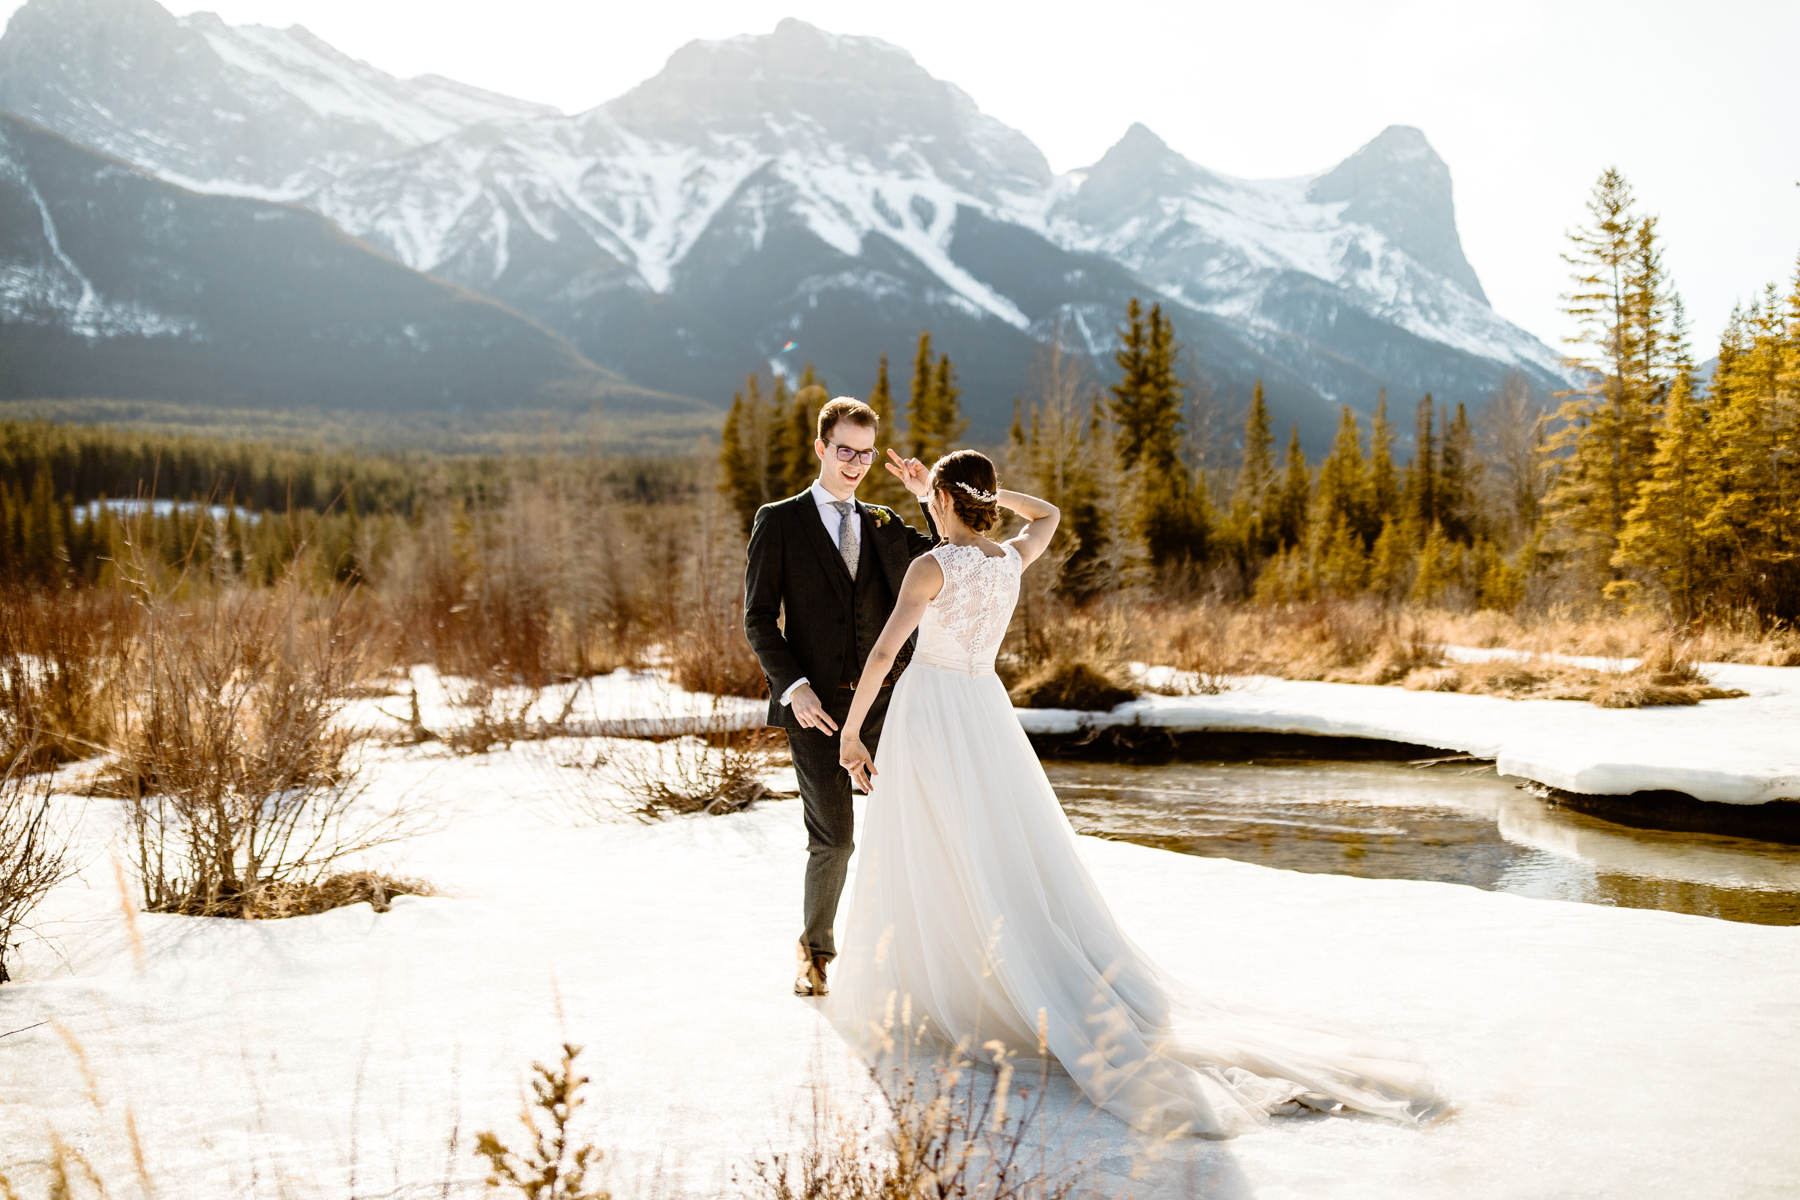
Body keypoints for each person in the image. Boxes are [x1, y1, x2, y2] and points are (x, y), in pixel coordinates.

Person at [829, 449, 1451, 1138]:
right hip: (982, 713)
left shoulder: (928, 568)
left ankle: (952, 985)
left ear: (944, 500)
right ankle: (987, 972)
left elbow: (885, 655)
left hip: (931, 715)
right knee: (994, 849)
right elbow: (1048, 515)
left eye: (937, 498)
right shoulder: (1009, 560)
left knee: (935, 847)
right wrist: (973, 498)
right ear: (983, 500)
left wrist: (852, 735)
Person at [742, 395, 942, 998]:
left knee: (917, 824)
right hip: (818, 712)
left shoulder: (883, 522)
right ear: (821, 449)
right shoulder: (779, 520)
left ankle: (922, 958)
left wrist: (926, 496)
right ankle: (816, 957)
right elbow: (757, 619)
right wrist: (794, 687)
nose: (854, 463)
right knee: (834, 838)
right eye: (844, 451)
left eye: (865, 453)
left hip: (886, 704)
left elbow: (945, 559)